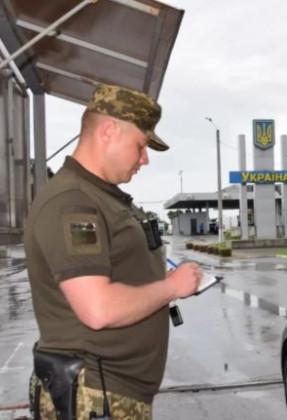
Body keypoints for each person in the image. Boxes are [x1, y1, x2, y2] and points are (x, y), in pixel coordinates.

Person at [24, 84, 202, 419]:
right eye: (140, 145)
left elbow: (115, 273)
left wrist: (161, 281)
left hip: (110, 393)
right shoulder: (72, 202)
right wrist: (171, 287)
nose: (144, 159)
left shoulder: (100, 197)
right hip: (94, 396)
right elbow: (98, 308)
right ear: (107, 131)